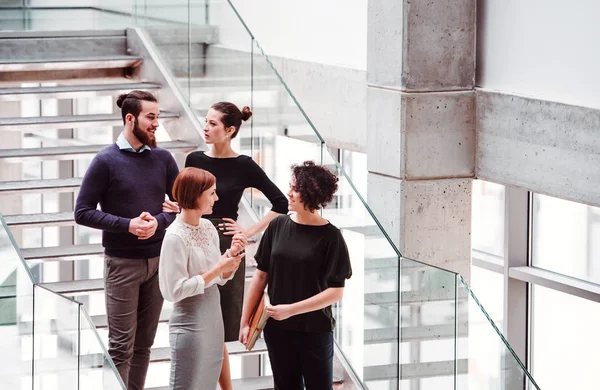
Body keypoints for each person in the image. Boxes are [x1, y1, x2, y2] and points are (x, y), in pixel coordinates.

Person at [74, 90, 180, 390]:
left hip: (158, 262)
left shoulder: (163, 158)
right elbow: (82, 212)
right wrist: (128, 225)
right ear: (130, 118)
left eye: (157, 117)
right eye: (150, 117)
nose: (156, 123)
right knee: (121, 347)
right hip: (122, 265)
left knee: (144, 346)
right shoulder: (105, 161)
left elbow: (181, 205)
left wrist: (159, 222)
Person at [184, 102, 288, 389]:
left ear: (230, 130)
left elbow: (281, 203)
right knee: (197, 318)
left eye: (213, 123)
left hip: (228, 243)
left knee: (220, 326)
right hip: (195, 238)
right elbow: (184, 200)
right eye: (205, 121)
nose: (205, 127)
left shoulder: (244, 165)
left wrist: (249, 230)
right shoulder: (194, 158)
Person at [240, 161, 353, 390]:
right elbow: (260, 278)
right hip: (277, 331)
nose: (288, 193)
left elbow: (336, 292)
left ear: (311, 194)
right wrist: (245, 322)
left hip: (315, 331)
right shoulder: (277, 225)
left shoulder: (331, 237)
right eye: (289, 186)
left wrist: (291, 309)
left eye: (295, 189)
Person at [159, 167, 247, 390]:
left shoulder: (208, 227)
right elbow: (173, 291)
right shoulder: (174, 236)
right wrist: (218, 269)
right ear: (195, 195)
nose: (216, 198)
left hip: (214, 320)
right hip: (190, 325)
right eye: (212, 193)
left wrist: (232, 257)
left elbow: (219, 277)